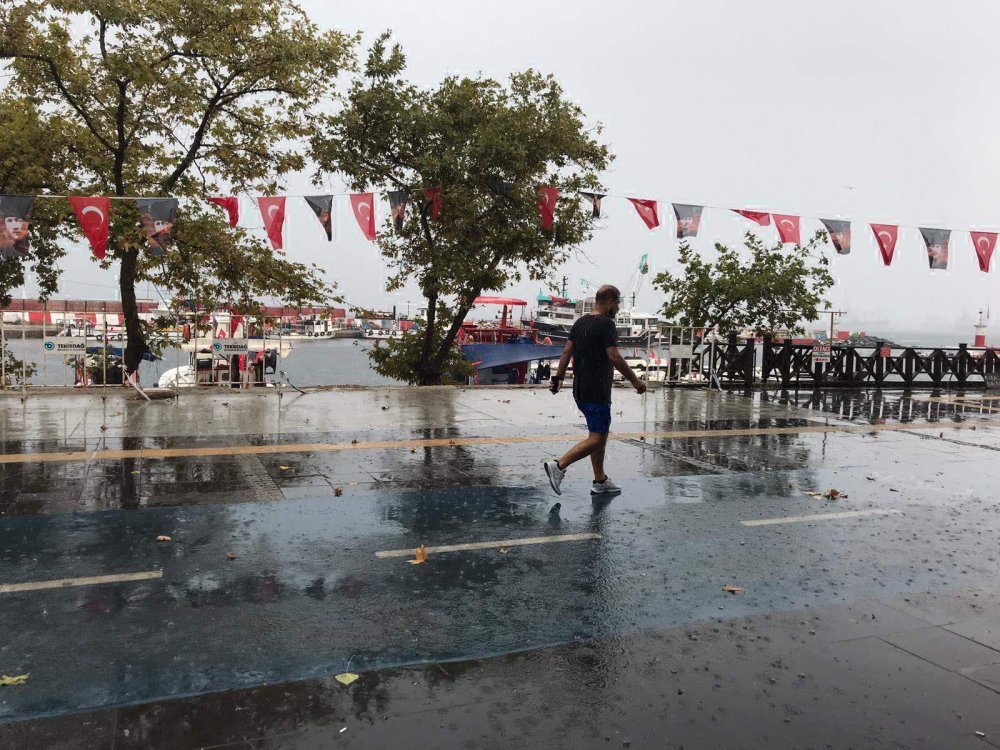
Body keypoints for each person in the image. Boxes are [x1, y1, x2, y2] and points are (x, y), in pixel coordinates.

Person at [544, 284, 646, 496]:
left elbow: (566, 352)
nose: (618, 307)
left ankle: (600, 481)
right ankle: (559, 466)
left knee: (598, 433)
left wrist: (558, 378)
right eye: (617, 303)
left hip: (580, 388)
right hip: (597, 389)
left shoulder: (580, 322)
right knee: (598, 438)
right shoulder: (606, 324)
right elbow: (614, 356)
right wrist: (636, 382)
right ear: (609, 301)